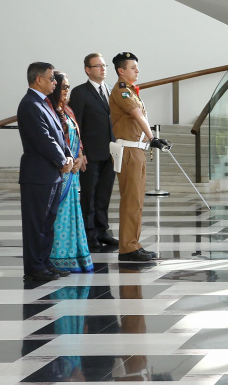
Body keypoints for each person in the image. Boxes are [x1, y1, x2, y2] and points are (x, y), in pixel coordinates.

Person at [16, 62, 74, 282]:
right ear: (38, 80)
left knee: (47, 223)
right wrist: (62, 160)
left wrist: (67, 154)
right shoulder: (30, 104)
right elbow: (43, 139)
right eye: (51, 78)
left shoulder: (44, 103)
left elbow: (59, 132)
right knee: (36, 224)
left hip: (51, 173)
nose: (55, 83)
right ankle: (34, 267)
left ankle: (44, 261)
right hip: (38, 174)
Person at [109, 52, 168, 263]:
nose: (138, 71)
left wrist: (149, 140)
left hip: (138, 150)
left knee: (137, 201)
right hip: (129, 151)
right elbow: (137, 115)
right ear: (121, 71)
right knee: (131, 201)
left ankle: (133, 244)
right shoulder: (122, 91)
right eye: (133, 67)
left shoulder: (131, 91)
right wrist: (153, 137)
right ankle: (127, 248)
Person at [69, 53, 117, 251]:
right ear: (88, 70)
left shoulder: (110, 90)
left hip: (110, 152)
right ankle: (89, 234)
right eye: (98, 66)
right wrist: (80, 152)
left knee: (104, 194)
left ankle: (101, 230)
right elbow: (75, 123)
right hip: (90, 153)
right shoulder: (80, 92)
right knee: (89, 195)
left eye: (104, 65)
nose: (103, 69)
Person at [48, 71, 94, 273]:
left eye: (68, 87)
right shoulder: (50, 111)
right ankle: (58, 257)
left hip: (73, 173)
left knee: (74, 215)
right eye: (64, 87)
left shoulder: (68, 111)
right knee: (60, 217)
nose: (67, 90)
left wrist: (80, 155)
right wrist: (67, 160)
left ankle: (75, 255)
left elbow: (77, 135)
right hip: (60, 172)